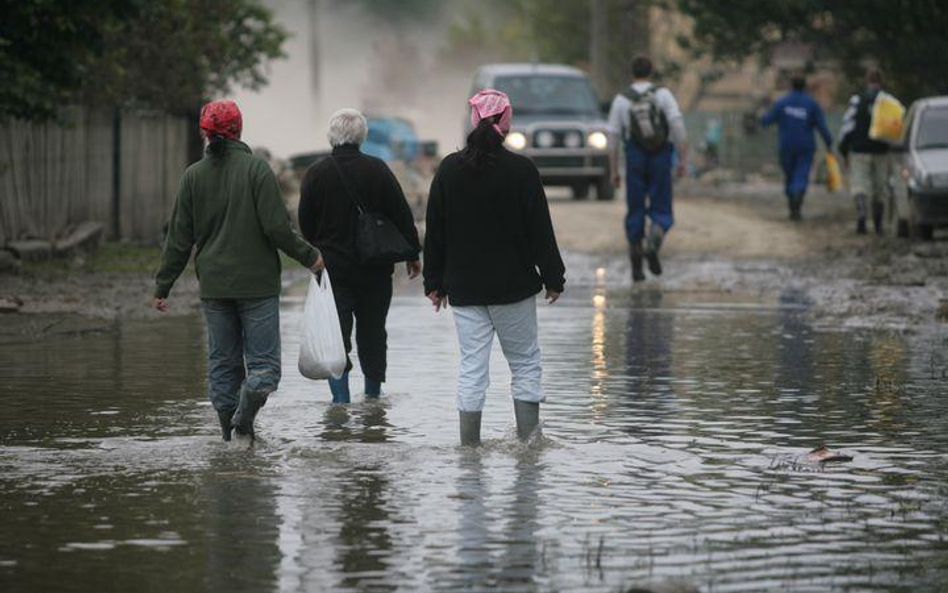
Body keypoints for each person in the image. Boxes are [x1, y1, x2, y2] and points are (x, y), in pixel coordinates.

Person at [153, 99, 323, 443]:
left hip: (214, 287)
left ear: (204, 133)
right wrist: (310, 258)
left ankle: (227, 437)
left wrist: (163, 285)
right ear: (239, 130)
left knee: (223, 366)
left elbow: (178, 239)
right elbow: (277, 228)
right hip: (257, 286)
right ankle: (244, 423)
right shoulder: (257, 170)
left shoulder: (192, 177)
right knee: (264, 369)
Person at [423, 89, 565, 447]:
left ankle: (468, 453)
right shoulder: (522, 170)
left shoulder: (448, 170)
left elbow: (435, 231)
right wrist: (553, 277)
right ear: (506, 121)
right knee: (525, 364)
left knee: (472, 368)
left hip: (465, 290)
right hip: (513, 288)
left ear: (473, 121)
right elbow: (540, 230)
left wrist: (433, 282)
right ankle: (530, 447)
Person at [298, 109, 422, 404]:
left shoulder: (316, 173)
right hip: (375, 268)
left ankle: (340, 402)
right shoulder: (378, 169)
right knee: (373, 333)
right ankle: (373, 399)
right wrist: (412, 254)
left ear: (332, 136)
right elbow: (402, 214)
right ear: (362, 136)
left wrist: (319, 251)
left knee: (336, 337)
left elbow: (306, 223)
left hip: (333, 269)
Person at [608, 54, 688, 282]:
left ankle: (636, 261)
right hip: (660, 155)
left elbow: (613, 137)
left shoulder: (621, 100)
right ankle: (654, 240)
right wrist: (682, 158)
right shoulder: (663, 94)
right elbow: (676, 124)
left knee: (635, 208)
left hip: (634, 156)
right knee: (661, 204)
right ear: (651, 71)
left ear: (631, 72)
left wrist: (614, 171)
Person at [760, 74, 833, 220]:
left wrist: (762, 114)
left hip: (786, 145)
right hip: (805, 145)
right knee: (802, 173)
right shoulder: (811, 104)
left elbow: (766, 120)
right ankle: (798, 196)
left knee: (789, 175)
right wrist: (829, 143)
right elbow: (822, 126)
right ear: (804, 86)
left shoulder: (782, 102)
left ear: (791, 86)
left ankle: (792, 203)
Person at [839, 69, 894, 235]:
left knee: (859, 185)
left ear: (867, 82)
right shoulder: (888, 102)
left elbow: (847, 128)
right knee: (880, 189)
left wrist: (844, 150)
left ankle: (862, 212)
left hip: (859, 151)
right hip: (881, 152)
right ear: (881, 82)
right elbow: (895, 128)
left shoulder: (858, 101)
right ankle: (878, 225)